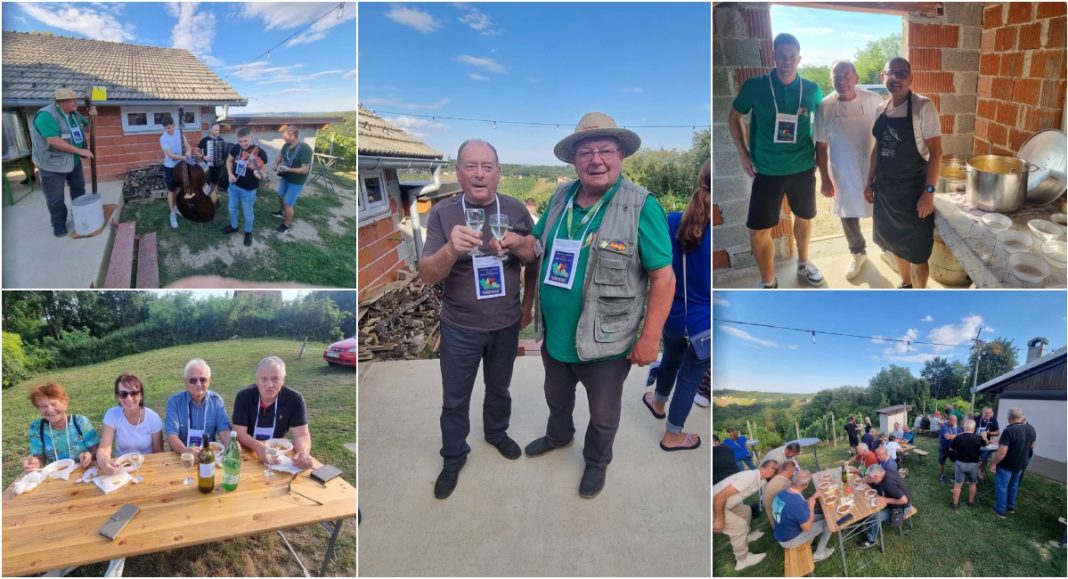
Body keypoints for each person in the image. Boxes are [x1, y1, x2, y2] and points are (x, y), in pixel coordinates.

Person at [504, 112, 675, 499]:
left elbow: (664, 278)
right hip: (555, 335)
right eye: (586, 152)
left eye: (605, 150)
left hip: (607, 341)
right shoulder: (562, 197)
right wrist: (517, 243)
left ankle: (597, 462)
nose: (596, 159)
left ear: (620, 156)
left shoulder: (641, 205)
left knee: (603, 414)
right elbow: (536, 245)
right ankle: (559, 436)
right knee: (556, 397)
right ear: (574, 160)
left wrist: (650, 339)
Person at [419, 139, 536, 499]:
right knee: (455, 399)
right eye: (470, 166)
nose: (479, 173)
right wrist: (452, 249)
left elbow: (534, 255)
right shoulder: (443, 213)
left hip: (504, 323)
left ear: (499, 173)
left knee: (499, 389)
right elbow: (427, 274)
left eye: (487, 166)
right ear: (458, 172)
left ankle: (496, 433)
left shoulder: (516, 209)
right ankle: (453, 458)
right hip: (460, 326)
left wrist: (527, 305)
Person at [728, 33, 824, 288]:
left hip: (803, 168)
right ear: (773, 57)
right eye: (781, 56)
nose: (786, 61)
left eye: (791, 56)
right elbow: (734, 116)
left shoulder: (812, 90)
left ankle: (804, 264)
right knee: (759, 230)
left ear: (799, 58)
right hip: (767, 171)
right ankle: (768, 281)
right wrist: (742, 152)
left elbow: (824, 125)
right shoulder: (755, 86)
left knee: (804, 218)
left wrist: (822, 161)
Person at [643, 159, 710, 451]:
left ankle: (657, 403)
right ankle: (672, 435)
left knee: (669, 359)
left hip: (671, 314)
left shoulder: (673, 221)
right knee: (689, 379)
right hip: (704, 325)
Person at [863, 57, 942, 288]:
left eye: (903, 73)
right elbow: (878, 147)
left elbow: (936, 153)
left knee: (918, 253)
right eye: (892, 73)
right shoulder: (880, 109)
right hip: (886, 191)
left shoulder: (922, 107)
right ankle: (905, 282)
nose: (896, 78)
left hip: (913, 193)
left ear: (911, 78)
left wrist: (928, 193)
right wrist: (869, 181)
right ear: (883, 77)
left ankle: (919, 292)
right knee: (894, 242)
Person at [814, 60, 883, 280]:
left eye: (846, 76)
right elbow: (821, 147)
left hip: (873, 165)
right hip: (842, 168)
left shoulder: (875, 100)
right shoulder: (824, 106)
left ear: (856, 78)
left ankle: (888, 248)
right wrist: (824, 179)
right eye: (837, 77)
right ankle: (857, 252)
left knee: (882, 208)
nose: (842, 81)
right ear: (830, 79)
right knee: (847, 210)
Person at [30, 87, 97, 237]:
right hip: (51, 165)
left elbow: (88, 129)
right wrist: (81, 151)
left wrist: (93, 117)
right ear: (60, 102)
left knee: (79, 190)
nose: (76, 102)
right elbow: (54, 141)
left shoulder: (74, 115)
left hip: (72, 161)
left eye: (76, 99)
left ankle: (79, 214)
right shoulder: (46, 116)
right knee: (56, 198)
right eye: (71, 100)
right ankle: (58, 224)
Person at [232, 356, 313, 470]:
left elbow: (302, 435)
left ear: (283, 379)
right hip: (248, 451)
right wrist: (259, 447)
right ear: (257, 380)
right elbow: (239, 433)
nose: (269, 385)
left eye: (275, 379)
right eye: (264, 379)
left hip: (278, 455)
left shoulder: (295, 399)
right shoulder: (244, 397)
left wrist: (303, 453)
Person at [714, 460, 779, 571]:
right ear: (770, 469)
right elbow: (719, 497)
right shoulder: (749, 477)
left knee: (746, 511)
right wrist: (719, 519)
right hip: (713, 505)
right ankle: (743, 559)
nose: (776, 474)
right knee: (739, 526)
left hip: (725, 503)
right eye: (776, 471)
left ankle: (746, 536)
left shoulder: (760, 479)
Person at [22, 383, 100, 473]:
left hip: (85, 471)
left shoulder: (80, 422)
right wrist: (35, 463)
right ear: (38, 409)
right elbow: (40, 458)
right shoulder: (37, 427)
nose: (50, 410)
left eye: (54, 404)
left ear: (64, 404)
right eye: (44, 406)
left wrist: (89, 455)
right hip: (58, 475)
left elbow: (97, 451)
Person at [97, 373, 165, 473]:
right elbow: (104, 447)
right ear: (118, 397)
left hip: (148, 468)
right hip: (121, 468)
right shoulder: (112, 414)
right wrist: (103, 460)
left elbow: (158, 454)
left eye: (134, 393)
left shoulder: (153, 418)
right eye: (123, 394)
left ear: (141, 395)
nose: (129, 398)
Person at [164, 358, 232, 455]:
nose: (198, 384)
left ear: (209, 382)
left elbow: (224, 430)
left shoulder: (216, 401)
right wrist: (185, 451)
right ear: (186, 382)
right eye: (193, 380)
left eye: (203, 379)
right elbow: (171, 435)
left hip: (209, 455)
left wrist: (230, 445)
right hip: (182, 456)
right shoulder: (174, 402)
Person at [772, 469, 836, 562]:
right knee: (830, 523)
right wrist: (811, 506)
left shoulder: (784, 492)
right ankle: (819, 554)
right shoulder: (796, 503)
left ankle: (811, 540)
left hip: (783, 531)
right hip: (790, 540)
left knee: (825, 516)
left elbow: (796, 509)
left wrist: (813, 498)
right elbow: (807, 528)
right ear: (805, 485)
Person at [222, 127, 269, 247]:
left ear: (251, 138)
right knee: (232, 208)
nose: (243, 144)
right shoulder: (236, 148)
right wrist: (230, 174)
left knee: (248, 213)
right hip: (233, 185)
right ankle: (234, 226)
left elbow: (264, 171)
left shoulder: (260, 152)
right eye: (240, 141)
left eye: (245, 141)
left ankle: (248, 232)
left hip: (248, 189)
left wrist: (260, 174)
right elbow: (229, 161)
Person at [989, 408, 1037, 519]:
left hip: (1007, 464)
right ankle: (1011, 506)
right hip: (1020, 463)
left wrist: (994, 464)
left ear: (1009, 418)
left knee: (1002, 486)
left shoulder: (1009, 430)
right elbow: (1033, 445)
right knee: (1014, 485)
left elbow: (1002, 452)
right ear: (1022, 417)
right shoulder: (1030, 428)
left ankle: (1000, 510)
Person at [270, 125, 313, 235]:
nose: (283, 138)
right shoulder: (286, 145)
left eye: (284, 136)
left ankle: (286, 225)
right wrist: (276, 164)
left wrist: (288, 168)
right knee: (280, 195)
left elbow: (304, 170)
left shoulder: (305, 149)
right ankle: (283, 212)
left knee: (288, 203)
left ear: (292, 136)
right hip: (286, 177)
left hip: (296, 181)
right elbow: (279, 156)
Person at [858, 464, 910, 549]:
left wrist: (886, 500)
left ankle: (872, 539)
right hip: (894, 502)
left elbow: (904, 500)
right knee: (871, 503)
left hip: (901, 508)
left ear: (875, 476)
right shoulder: (886, 472)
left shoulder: (889, 483)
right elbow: (881, 485)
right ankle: (864, 521)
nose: (869, 479)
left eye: (870, 477)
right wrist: (871, 482)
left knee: (875, 516)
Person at [159, 115, 193, 230]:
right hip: (170, 167)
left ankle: (176, 207)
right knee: (171, 190)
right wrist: (184, 158)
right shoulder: (163, 138)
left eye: (169, 127)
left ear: (173, 125)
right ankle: (172, 213)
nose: (167, 130)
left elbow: (188, 146)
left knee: (178, 189)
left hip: (180, 165)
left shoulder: (180, 133)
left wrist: (188, 151)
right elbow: (170, 155)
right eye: (165, 128)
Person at [949, 419, 984, 510]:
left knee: (958, 484)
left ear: (964, 427)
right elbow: (985, 444)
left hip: (960, 463)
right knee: (972, 483)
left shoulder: (958, 437)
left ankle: (955, 504)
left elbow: (951, 448)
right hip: (973, 464)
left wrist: (956, 452)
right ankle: (970, 502)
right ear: (974, 428)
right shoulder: (978, 437)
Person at [193, 122, 229, 204]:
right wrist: (202, 156)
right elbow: (195, 150)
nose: (217, 132)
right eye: (215, 130)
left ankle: (214, 198)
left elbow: (223, 152)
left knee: (215, 182)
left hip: (218, 166)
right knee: (208, 183)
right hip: (208, 166)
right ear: (210, 130)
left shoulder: (221, 140)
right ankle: (207, 199)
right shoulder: (205, 140)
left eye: (218, 130)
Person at [763, 461, 797, 525]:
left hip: (774, 518)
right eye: (794, 471)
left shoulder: (775, 478)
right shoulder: (786, 484)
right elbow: (795, 504)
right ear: (791, 470)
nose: (794, 473)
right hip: (781, 523)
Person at [975, 406, 1000, 481]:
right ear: (982, 412)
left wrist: (989, 432)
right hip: (974, 442)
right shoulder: (976, 419)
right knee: (974, 458)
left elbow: (998, 432)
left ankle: (980, 472)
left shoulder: (993, 420)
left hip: (986, 444)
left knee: (984, 459)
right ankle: (972, 473)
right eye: (986, 412)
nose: (988, 414)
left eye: (989, 413)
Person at [938, 414, 961, 483]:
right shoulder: (944, 426)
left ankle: (954, 475)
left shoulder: (957, 427)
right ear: (949, 420)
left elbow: (961, 434)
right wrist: (957, 436)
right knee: (941, 462)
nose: (955, 422)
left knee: (956, 461)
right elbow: (947, 437)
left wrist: (957, 436)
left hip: (953, 448)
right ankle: (941, 475)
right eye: (954, 420)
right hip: (944, 447)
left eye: (956, 421)